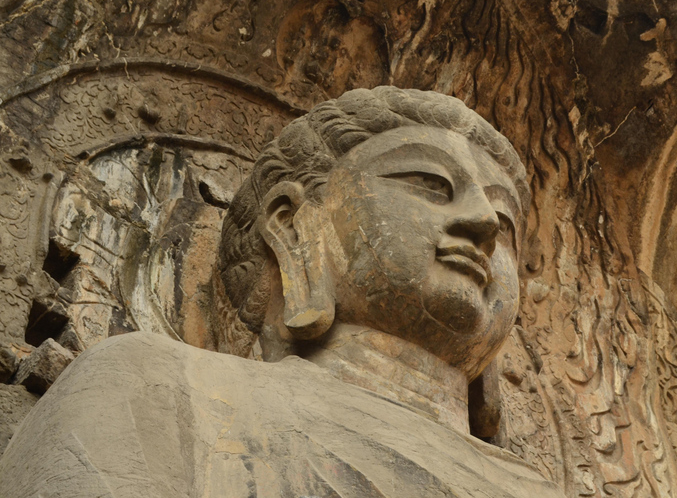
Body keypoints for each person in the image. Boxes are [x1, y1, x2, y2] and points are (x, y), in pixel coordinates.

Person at [0, 87, 565, 497]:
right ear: (295, 225)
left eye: (505, 220)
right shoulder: (159, 388)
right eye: (428, 184)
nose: (484, 224)